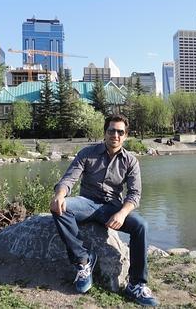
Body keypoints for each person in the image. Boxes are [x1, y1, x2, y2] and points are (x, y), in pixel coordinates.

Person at [51, 114, 158, 307]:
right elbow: (68, 179)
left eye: (120, 132)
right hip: (87, 203)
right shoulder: (87, 153)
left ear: (125, 136)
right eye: (111, 131)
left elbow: (134, 194)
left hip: (112, 208)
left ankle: (136, 285)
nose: (115, 135)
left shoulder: (131, 161)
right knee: (60, 207)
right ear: (105, 133)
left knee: (141, 225)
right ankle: (83, 261)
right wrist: (59, 194)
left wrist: (122, 213)